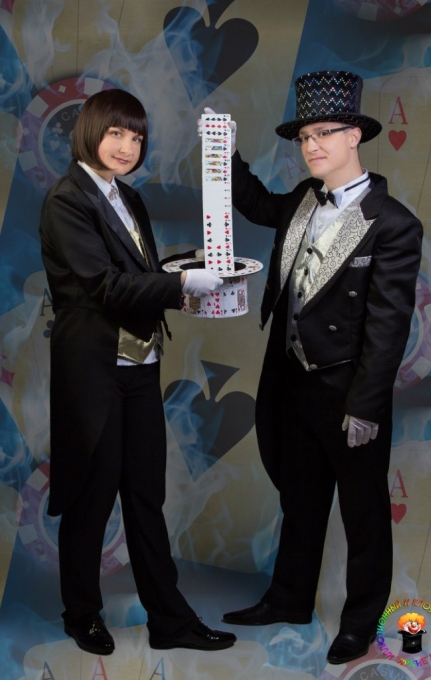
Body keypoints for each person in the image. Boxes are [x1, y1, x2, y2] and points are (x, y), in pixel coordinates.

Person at [199, 70, 423, 665]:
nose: (312, 145)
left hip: (348, 387)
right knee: (300, 499)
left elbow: (388, 327)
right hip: (291, 378)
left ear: (355, 136)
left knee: (363, 512)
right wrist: (224, 151)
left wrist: (366, 405)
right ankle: (290, 599)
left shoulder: (394, 222)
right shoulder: (303, 197)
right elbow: (255, 204)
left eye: (325, 133)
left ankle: (361, 622)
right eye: (304, 137)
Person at [39, 88, 236, 655]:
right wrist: (182, 284)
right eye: (116, 133)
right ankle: (82, 615)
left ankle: (170, 622)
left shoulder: (128, 196)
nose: (127, 146)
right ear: (90, 131)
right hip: (94, 374)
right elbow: (105, 286)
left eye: (137, 137)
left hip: (142, 367)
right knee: (91, 500)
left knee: (146, 499)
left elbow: (139, 273)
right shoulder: (66, 200)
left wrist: (185, 278)